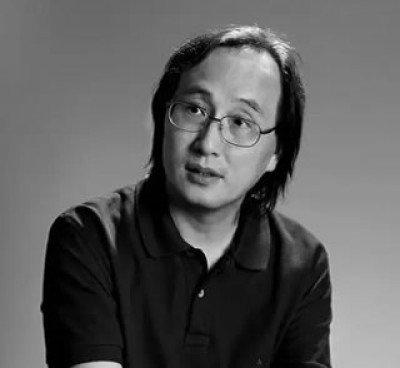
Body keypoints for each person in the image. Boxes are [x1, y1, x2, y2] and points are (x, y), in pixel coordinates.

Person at [41, 25, 332, 368]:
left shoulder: (302, 263)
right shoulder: (91, 235)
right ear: (162, 118)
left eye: (241, 122)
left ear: (277, 153)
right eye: (194, 109)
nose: (208, 144)